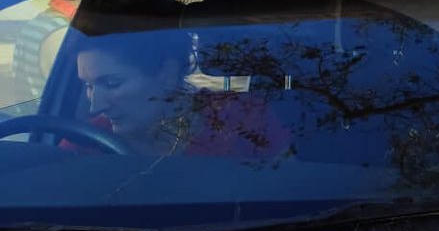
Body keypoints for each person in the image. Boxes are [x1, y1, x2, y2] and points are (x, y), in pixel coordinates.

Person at [67, 35, 290, 158]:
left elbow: (289, 188)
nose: (95, 106)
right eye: (88, 86)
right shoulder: (85, 142)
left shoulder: (241, 117)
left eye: (112, 83)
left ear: (168, 74)